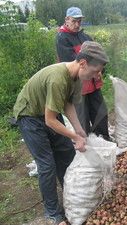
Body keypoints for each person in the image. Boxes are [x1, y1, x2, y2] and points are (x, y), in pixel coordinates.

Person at [13, 41, 109, 225]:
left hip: (47, 113)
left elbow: (68, 104)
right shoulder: (58, 78)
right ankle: (52, 212)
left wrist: (79, 129)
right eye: (96, 71)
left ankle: (71, 196)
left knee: (66, 154)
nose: (98, 75)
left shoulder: (77, 78)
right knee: (47, 165)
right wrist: (74, 136)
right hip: (30, 116)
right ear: (83, 63)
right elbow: (50, 121)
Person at [56, 7, 110, 140]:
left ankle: (103, 139)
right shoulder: (62, 38)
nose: (77, 24)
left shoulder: (85, 36)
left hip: (94, 82)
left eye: (79, 21)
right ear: (66, 20)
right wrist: (93, 69)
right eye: (74, 21)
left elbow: (99, 56)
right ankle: (85, 142)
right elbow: (73, 62)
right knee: (82, 117)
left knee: (100, 113)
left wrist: (99, 70)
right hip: (78, 85)